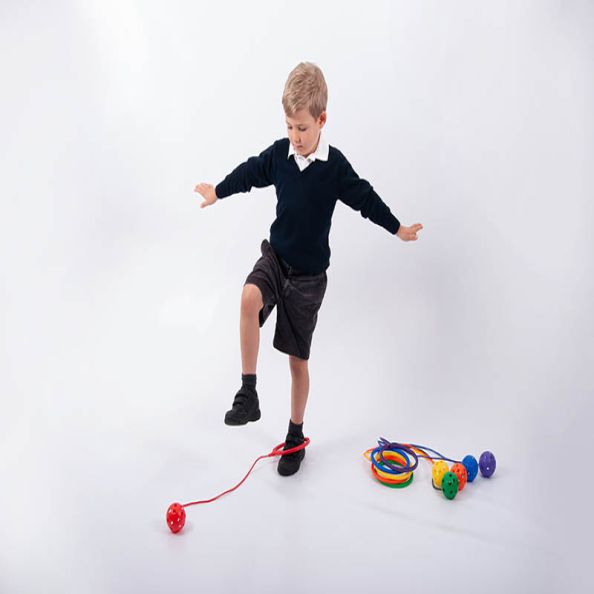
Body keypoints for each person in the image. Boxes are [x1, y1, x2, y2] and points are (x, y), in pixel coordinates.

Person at [194, 62, 423, 476]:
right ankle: (248, 393)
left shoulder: (334, 167)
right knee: (248, 297)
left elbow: (365, 198)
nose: (295, 137)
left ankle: (295, 436)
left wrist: (398, 228)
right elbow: (250, 172)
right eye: (289, 127)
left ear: (321, 120)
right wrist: (218, 191)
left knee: (297, 362)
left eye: (302, 128)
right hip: (276, 259)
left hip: (308, 280)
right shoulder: (280, 155)